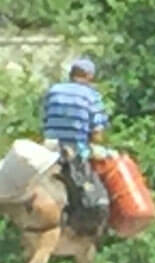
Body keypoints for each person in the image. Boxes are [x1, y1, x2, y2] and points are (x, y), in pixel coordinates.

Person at [42, 56, 111, 232]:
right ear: (89, 76)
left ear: (71, 74)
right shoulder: (91, 96)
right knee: (96, 191)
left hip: (48, 147)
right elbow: (97, 134)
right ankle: (88, 222)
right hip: (74, 149)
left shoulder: (53, 91)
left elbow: (46, 120)